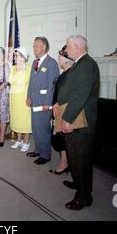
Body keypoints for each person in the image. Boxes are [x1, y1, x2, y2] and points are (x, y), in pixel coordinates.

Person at [57, 35, 100, 210]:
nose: (66, 50)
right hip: (75, 117)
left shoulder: (87, 65)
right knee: (76, 157)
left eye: (67, 47)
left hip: (79, 121)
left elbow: (80, 94)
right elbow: (70, 89)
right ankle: (80, 183)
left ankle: (84, 197)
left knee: (80, 158)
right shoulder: (80, 64)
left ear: (77, 47)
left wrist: (67, 119)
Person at [26, 37, 60, 164]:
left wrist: (48, 102)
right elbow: (31, 82)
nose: (34, 48)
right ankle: (38, 149)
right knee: (36, 127)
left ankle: (45, 155)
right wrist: (28, 96)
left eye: (36, 45)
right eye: (34, 45)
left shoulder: (51, 63)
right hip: (34, 99)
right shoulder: (35, 62)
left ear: (44, 47)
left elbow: (52, 85)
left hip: (44, 101)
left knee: (44, 128)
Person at [49, 45, 74, 175]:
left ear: (65, 60)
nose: (58, 58)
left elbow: (68, 95)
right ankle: (65, 162)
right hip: (58, 109)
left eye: (60, 56)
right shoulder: (65, 73)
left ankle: (64, 163)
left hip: (62, 110)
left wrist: (58, 105)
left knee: (61, 138)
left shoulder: (70, 74)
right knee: (59, 137)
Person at [9, 47, 31, 152]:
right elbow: (10, 81)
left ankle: (26, 142)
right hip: (14, 98)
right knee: (16, 119)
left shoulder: (29, 69)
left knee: (25, 120)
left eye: (17, 56)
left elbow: (32, 85)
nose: (15, 57)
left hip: (24, 98)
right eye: (15, 55)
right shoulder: (12, 68)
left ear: (23, 57)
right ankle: (19, 140)